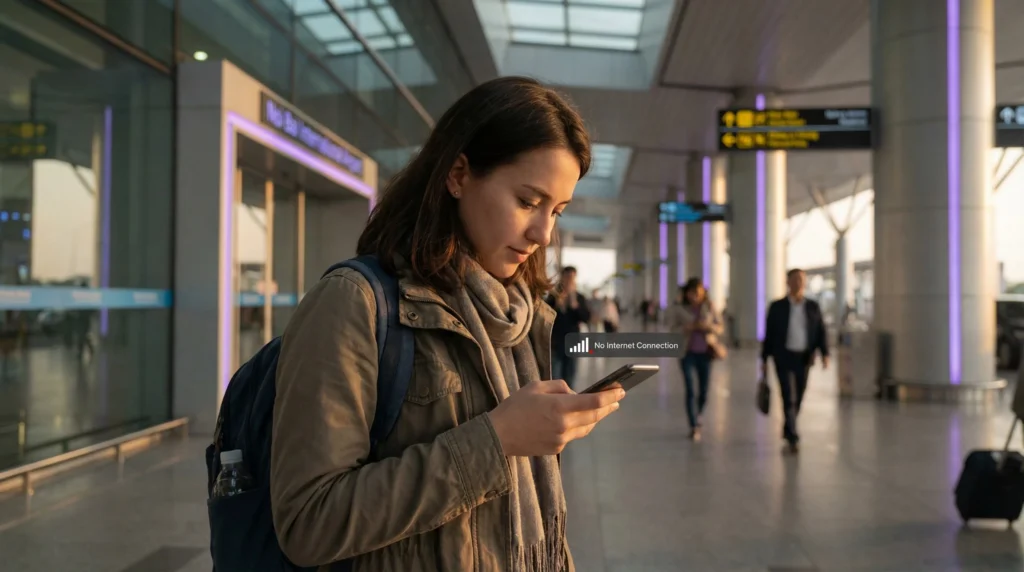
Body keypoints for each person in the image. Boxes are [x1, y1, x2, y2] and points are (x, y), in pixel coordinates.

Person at [269, 76, 625, 571]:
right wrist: (496, 440)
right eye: (527, 201)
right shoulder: (356, 304)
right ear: (458, 175)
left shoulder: (521, 317)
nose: (544, 233)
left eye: (557, 210)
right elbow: (309, 521)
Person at [760, 268, 829, 454]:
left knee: (799, 395)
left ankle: (789, 425)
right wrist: (764, 358)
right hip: (783, 356)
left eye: (801, 279)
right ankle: (792, 435)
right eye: (794, 279)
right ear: (787, 282)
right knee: (788, 395)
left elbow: (821, 331)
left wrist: (825, 354)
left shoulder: (812, 307)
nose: (798, 283)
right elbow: (769, 334)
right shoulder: (777, 307)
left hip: (804, 358)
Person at [667, 278, 723, 441]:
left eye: (698, 293)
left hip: (706, 353)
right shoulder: (679, 309)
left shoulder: (709, 307)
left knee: (704, 391)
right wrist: (688, 327)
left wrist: (708, 327)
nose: (695, 296)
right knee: (691, 389)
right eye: (692, 293)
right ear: (686, 293)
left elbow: (720, 327)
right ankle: (693, 425)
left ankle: (698, 414)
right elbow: (672, 330)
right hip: (686, 353)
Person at [545, 266, 590, 387]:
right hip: (556, 341)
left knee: (570, 374)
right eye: (567, 277)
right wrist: (556, 304)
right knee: (555, 375)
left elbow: (585, 317)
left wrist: (575, 305)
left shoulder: (579, 297)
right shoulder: (553, 296)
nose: (569, 280)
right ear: (562, 278)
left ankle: (569, 401)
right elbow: (545, 315)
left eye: (572, 277)